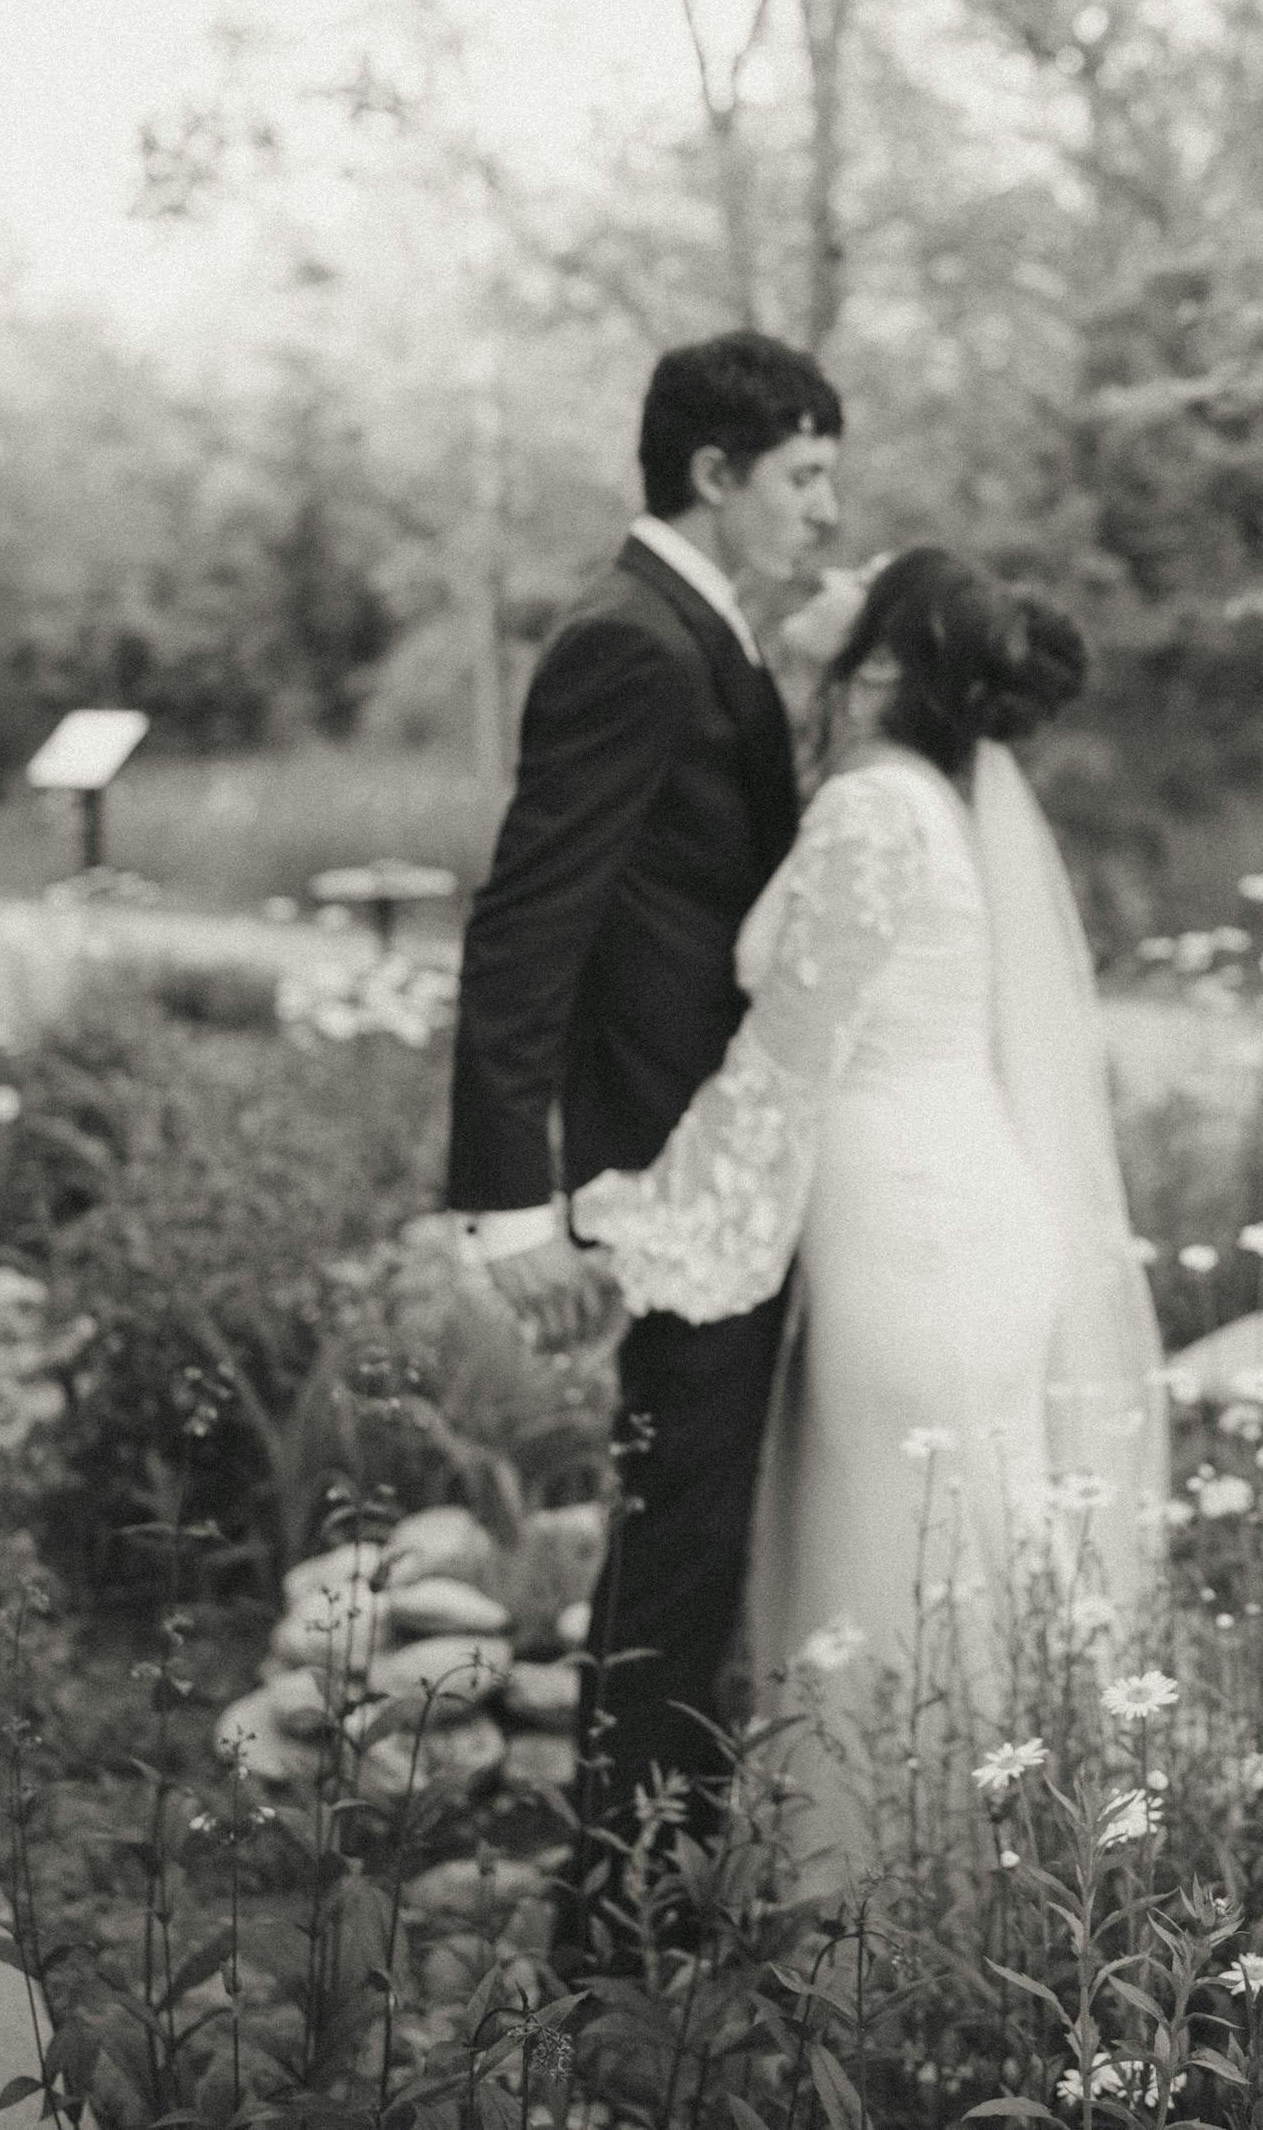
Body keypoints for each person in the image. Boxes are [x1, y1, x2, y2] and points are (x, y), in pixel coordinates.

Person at [567, 547, 1170, 1880]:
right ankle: (1024, 1880)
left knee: (895, 1566)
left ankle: (898, 1910)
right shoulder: (923, 803)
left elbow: (788, 1051)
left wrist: (651, 1218)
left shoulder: (869, 813)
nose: (827, 567)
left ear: (888, 662)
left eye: (859, 576)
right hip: (951, 1209)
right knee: (969, 1561)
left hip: (914, 1235)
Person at [445, 329, 842, 1933]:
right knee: (674, 1546)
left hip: (721, 1163)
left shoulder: (707, 634)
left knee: (688, 1536)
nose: (825, 510)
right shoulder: (634, 640)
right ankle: (616, 1930)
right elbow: (526, 928)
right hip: (681, 1181)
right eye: (804, 477)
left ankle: (654, 1875)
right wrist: (507, 1210)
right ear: (715, 473)